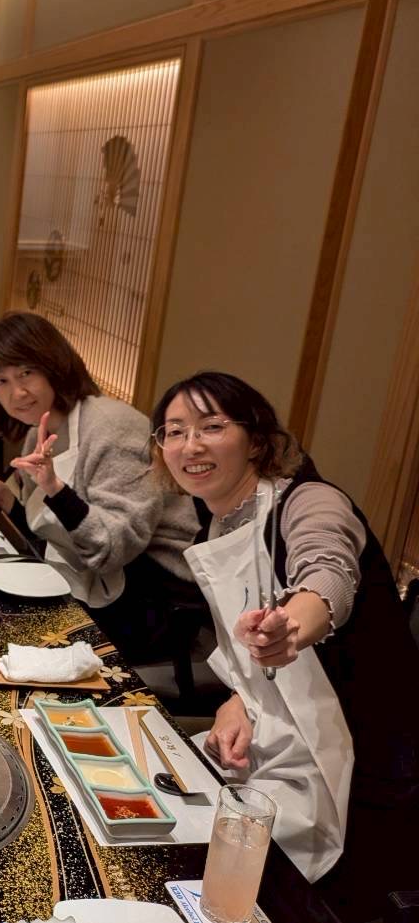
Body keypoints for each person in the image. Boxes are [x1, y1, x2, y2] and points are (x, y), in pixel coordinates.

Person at [151, 371, 419, 920]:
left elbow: (329, 571)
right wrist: (238, 701)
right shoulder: (215, 525)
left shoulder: (310, 501)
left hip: (358, 763)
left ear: (256, 440)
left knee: (202, 867)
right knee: (162, 801)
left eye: (211, 426)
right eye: (174, 431)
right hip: (275, 743)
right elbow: (245, 664)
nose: (190, 445)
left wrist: (291, 627)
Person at [0, 311, 204, 666]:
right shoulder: (38, 431)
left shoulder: (110, 427)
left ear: (52, 365)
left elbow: (114, 547)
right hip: (91, 573)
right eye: (2, 381)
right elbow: (55, 533)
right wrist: (7, 497)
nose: (17, 393)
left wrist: (56, 490)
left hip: (150, 597)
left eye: (26, 373)